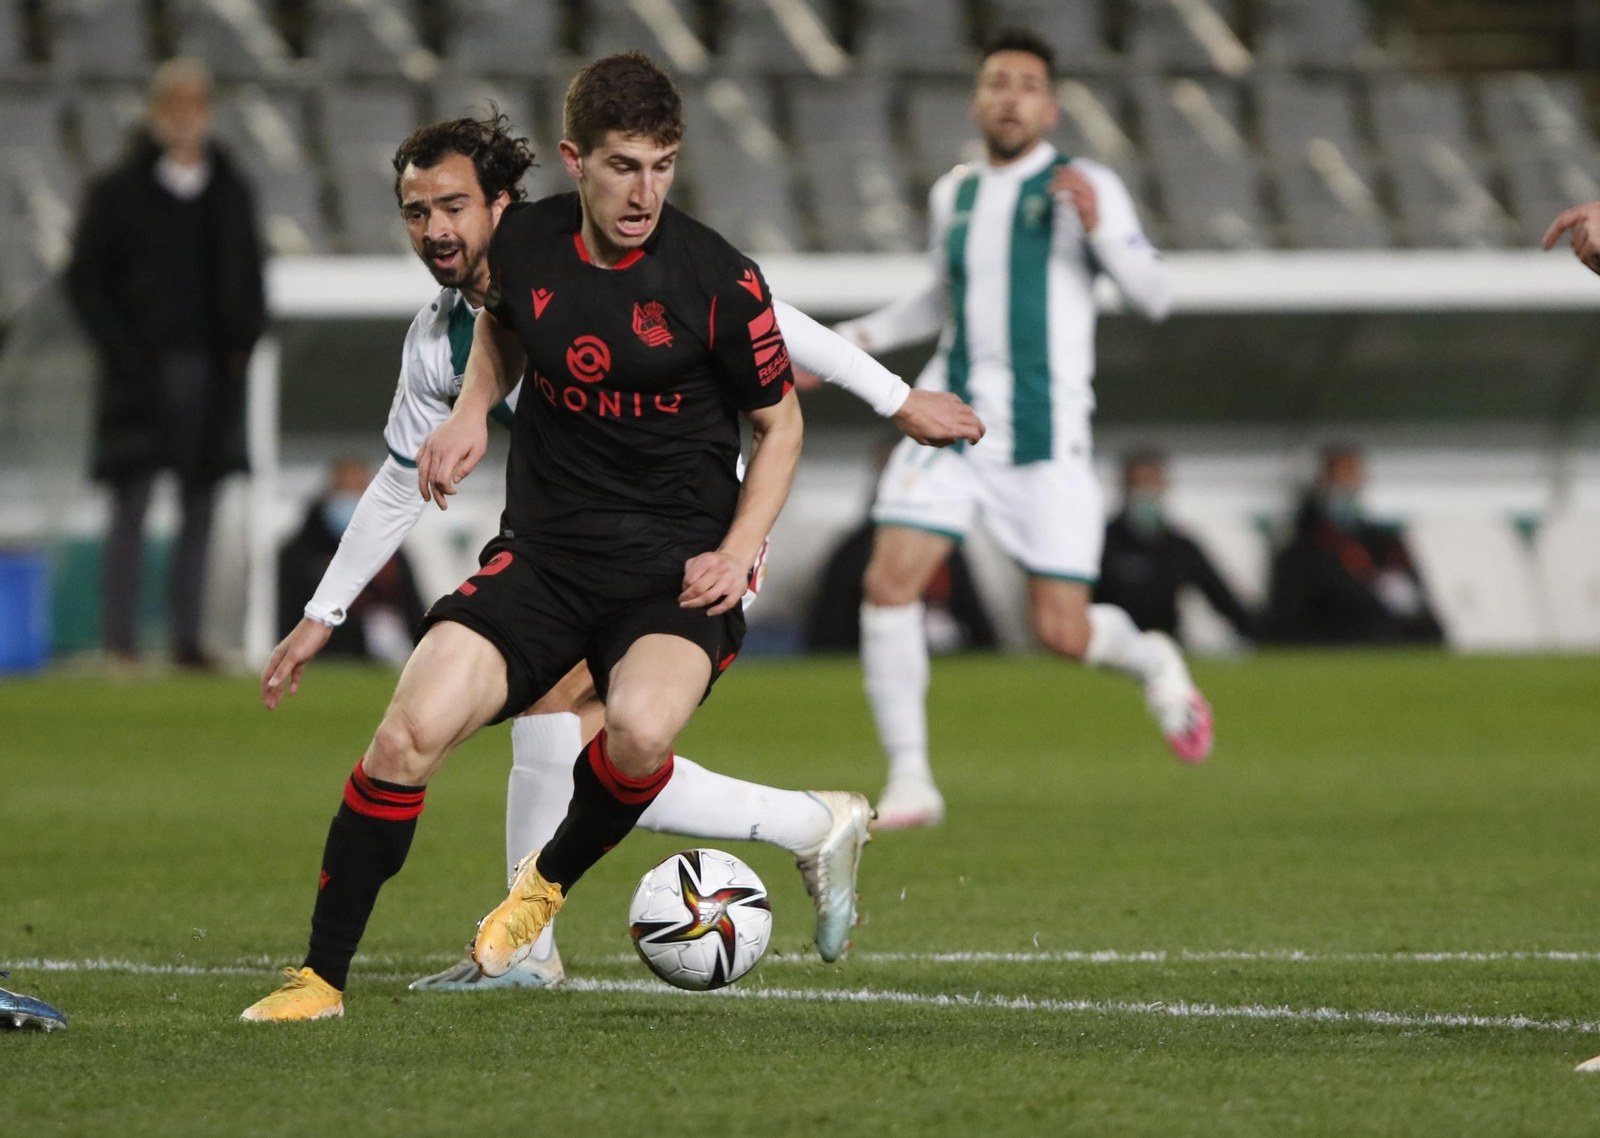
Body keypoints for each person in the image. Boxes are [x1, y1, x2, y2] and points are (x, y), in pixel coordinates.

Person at [241, 57, 979, 1022]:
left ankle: (541, 904)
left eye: (662, 166)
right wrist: (465, 422)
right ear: (575, 163)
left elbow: (783, 385)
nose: (645, 190)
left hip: (681, 561)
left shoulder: (709, 275)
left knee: (631, 735)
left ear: (499, 201)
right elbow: (475, 371)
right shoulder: (480, 299)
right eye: (418, 212)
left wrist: (895, 400)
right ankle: (325, 980)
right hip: (548, 552)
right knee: (410, 731)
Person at [835, 28, 1212, 830]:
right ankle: (912, 781)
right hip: (950, 413)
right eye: (997, 81)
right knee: (888, 581)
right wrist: (844, 347)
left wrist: (1103, 231)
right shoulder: (956, 193)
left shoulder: (1087, 184)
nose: (1010, 96)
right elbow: (941, 300)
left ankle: (1153, 660)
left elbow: (1156, 296)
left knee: (1061, 632)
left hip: (1044, 438)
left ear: (1051, 104)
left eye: (1027, 84)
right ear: (977, 99)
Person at [66, 58, 266, 669]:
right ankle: (120, 642)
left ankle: (186, 640)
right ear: (156, 113)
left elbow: (252, 278)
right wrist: (121, 350)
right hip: (139, 374)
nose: (186, 116)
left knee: (200, 504)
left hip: (211, 371)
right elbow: (85, 281)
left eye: (196, 104)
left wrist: (243, 341)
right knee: (130, 502)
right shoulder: (117, 191)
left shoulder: (232, 188)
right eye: (175, 104)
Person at [1263, 446, 1442, 646]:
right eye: (1341, 476)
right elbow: (1285, 624)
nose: (1348, 485)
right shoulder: (1300, 553)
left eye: (1353, 475)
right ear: (1322, 482)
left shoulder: (1385, 545)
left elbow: (1425, 615)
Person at [1095, 451, 1254, 642]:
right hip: (1112, 648)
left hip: (1167, 643)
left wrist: (1265, 637)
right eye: (1139, 484)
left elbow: (1225, 602)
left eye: (1153, 483)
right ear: (1125, 487)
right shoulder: (1102, 542)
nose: (1147, 492)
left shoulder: (1180, 547)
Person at [276, 459, 425, 662]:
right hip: (321, 654)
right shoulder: (299, 553)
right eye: (345, 490)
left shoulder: (392, 553)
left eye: (360, 491)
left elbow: (413, 607)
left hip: (377, 652)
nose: (352, 499)